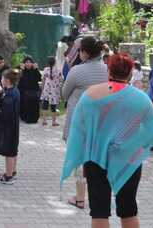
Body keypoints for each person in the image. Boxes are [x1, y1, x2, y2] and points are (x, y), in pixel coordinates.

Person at [61, 53, 153, 228]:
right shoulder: (141, 98)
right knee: (128, 209)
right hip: (128, 160)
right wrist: (130, 143)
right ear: (130, 73)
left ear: (109, 70)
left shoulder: (90, 95)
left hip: (95, 158)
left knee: (99, 212)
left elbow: (78, 128)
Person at [61, 36, 108, 210]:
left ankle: (80, 198)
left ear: (85, 53)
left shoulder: (76, 71)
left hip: (78, 121)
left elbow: (64, 94)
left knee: (79, 159)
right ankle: (96, 196)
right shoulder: (106, 70)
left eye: (79, 50)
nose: (78, 53)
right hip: (100, 121)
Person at [0, 68, 21, 185]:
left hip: (7, 127)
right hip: (13, 125)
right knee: (13, 149)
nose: (1, 80)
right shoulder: (13, 91)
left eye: (2, 78)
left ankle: (8, 176)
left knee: (8, 151)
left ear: (7, 80)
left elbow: (5, 112)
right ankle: (12, 171)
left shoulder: (9, 94)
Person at [17, 56, 42, 123]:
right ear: (24, 63)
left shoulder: (34, 70)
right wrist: (21, 69)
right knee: (25, 99)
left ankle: (34, 117)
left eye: (30, 62)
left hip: (33, 90)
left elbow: (39, 78)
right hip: (23, 90)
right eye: (26, 62)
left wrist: (36, 69)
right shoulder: (21, 70)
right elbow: (18, 77)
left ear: (32, 63)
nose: (28, 64)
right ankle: (24, 116)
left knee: (34, 98)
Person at [41, 57, 63, 127]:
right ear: (55, 62)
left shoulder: (45, 70)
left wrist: (42, 89)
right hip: (54, 91)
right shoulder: (58, 70)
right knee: (53, 106)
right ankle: (54, 122)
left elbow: (43, 80)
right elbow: (61, 79)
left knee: (45, 105)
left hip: (46, 90)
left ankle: (44, 121)